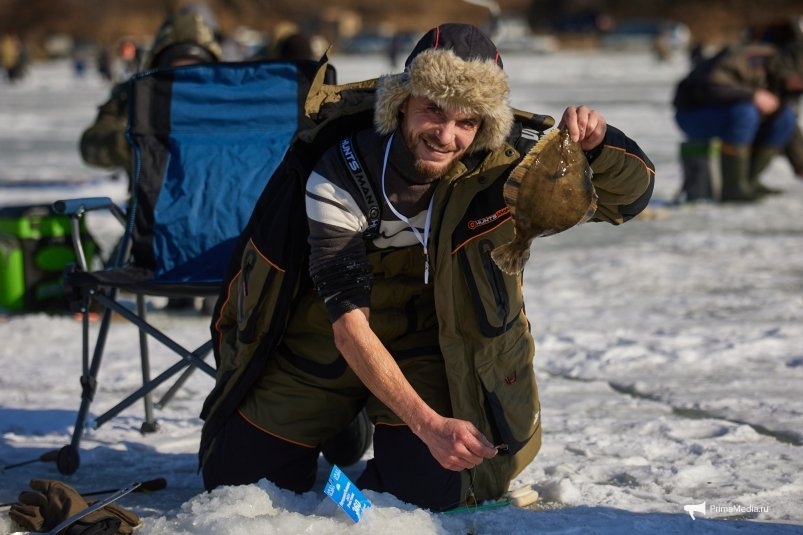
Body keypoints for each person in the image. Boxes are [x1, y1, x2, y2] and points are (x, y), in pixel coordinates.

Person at [199, 23, 655, 511]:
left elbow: (626, 200)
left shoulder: (510, 162)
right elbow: (350, 329)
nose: (445, 135)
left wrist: (599, 147)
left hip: (435, 340)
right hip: (326, 336)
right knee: (235, 482)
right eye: (432, 111)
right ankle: (345, 420)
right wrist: (428, 425)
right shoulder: (337, 169)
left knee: (428, 489)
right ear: (401, 104)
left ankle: (373, 457)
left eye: (466, 122)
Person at [78, 5, 223, 310]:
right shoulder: (135, 96)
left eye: (194, 67)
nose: (184, 78)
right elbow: (91, 146)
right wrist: (137, 142)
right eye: (176, 67)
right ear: (159, 64)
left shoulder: (230, 98)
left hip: (222, 231)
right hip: (151, 227)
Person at [673, 41, 803, 201]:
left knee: (786, 118)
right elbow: (709, 86)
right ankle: (733, 189)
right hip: (693, 113)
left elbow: (788, 127)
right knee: (746, 112)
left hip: (739, 118)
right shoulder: (748, 58)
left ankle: (747, 183)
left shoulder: (785, 85)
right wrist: (753, 95)